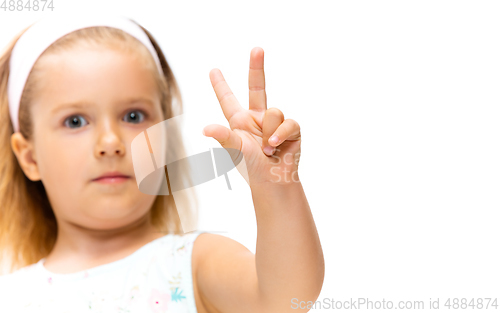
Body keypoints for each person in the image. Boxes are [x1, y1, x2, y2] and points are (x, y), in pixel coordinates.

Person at [0, 13, 324, 312]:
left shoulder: (192, 263)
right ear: (29, 158)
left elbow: (285, 300)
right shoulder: (11, 298)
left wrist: (276, 186)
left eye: (133, 116)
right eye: (75, 121)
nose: (110, 142)